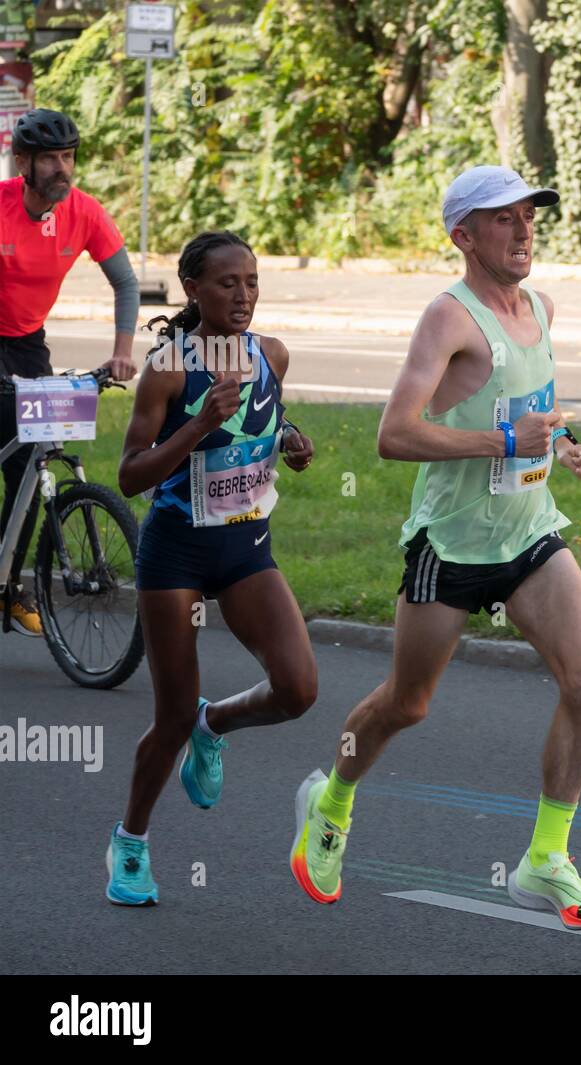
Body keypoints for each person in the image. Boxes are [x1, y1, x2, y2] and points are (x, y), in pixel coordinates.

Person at [289, 165, 581, 929]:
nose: (525, 229)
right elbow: (394, 434)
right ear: (463, 235)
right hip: (453, 545)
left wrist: (561, 439)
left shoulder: (540, 305)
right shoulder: (449, 317)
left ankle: (546, 858)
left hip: (530, 532)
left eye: (530, 215)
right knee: (407, 703)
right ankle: (331, 802)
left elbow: (534, 403)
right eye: (505, 219)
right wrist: (504, 440)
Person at [105, 230, 317, 905]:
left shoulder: (272, 354)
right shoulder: (169, 366)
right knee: (167, 717)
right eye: (229, 283)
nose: (244, 295)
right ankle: (130, 842)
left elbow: (261, 417)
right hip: (177, 551)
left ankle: (214, 723)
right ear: (193, 289)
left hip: (246, 544)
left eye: (253, 282)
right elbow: (131, 475)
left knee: (299, 687)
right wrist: (194, 426)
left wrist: (288, 439)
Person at [0, 108, 139, 636]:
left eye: (68, 157)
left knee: (30, 471)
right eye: (50, 159)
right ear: (23, 163)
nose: (62, 168)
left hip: (28, 343)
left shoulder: (84, 212)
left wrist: (122, 350)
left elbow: (126, 283)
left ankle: (8, 589)